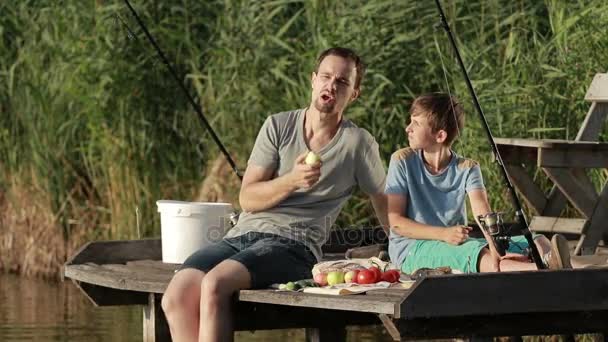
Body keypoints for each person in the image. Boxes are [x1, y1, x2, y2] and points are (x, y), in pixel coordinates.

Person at [161, 47, 388, 342]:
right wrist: (291, 180)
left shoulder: (358, 143)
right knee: (175, 297)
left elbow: (384, 199)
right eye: (326, 76)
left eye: (342, 81)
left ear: (353, 94)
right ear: (313, 80)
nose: (331, 85)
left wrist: (402, 249)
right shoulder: (278, 125)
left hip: (294, 246)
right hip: (240, 237)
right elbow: (248, 199)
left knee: (215, 283)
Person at [385, 92, 572, 275]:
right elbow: (397, 223)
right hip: (411, 250)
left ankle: (558, 266)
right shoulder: (402, 160)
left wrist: (494, 243)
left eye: (415, 124)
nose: (408, 128)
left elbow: (482, 210)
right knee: (475, 253)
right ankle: (547, 272)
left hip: (456, 243)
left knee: (537, 241)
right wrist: (443, 234)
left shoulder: (468, 168)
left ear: (440, 136)